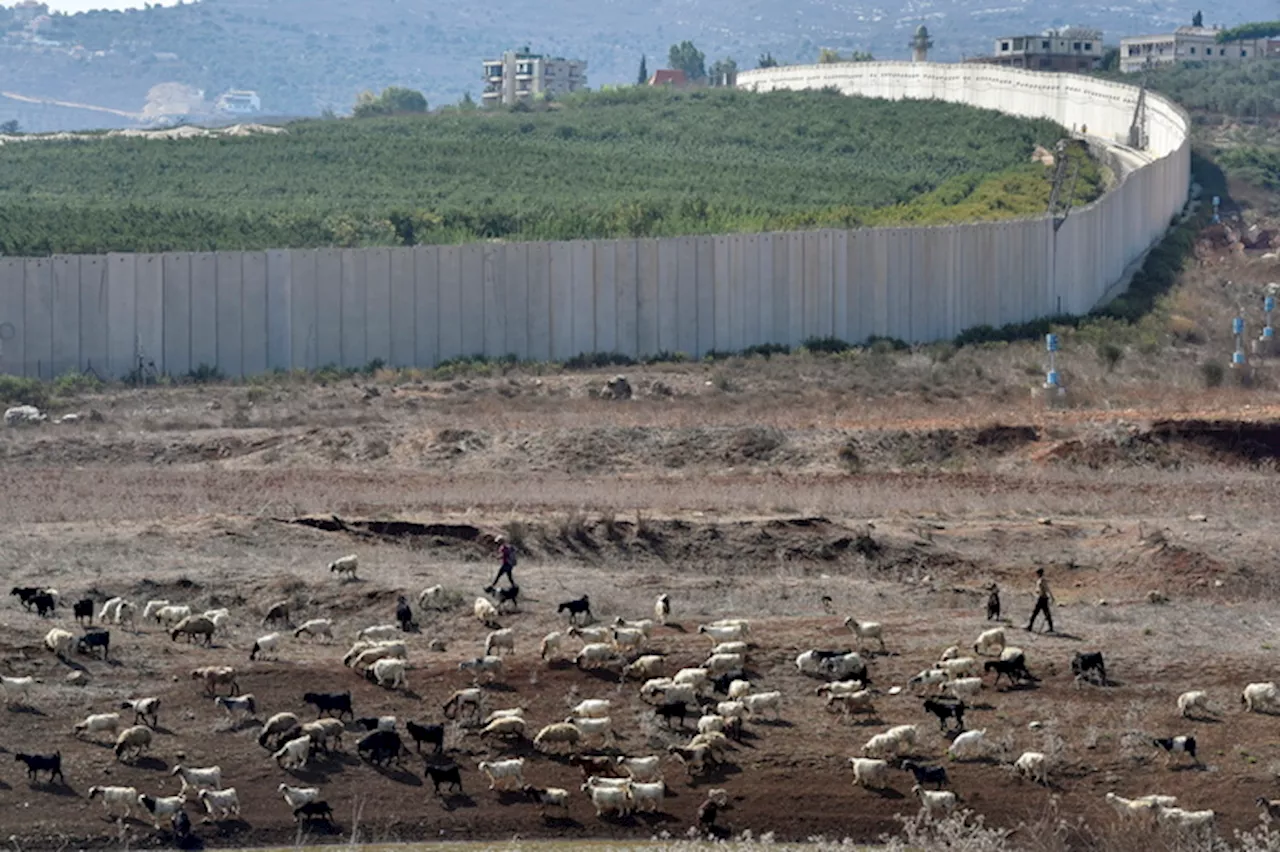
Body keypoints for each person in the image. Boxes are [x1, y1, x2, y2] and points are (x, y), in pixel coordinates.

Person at [1026, 568, 1054, 633]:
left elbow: (1047, 589)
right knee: (1045, 613)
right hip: (1041, 598)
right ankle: (1051, 627)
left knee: (1036, 613)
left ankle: (1030, 626)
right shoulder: (1039, 580)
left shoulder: (1042, 581)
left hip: (1042, 599)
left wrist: (1051, 597)